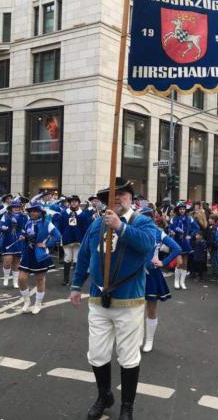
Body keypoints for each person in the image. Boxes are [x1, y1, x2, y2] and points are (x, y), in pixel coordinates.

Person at [69, 177, 157, 420]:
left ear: (131, 198)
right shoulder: (96, 224)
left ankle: (127, 406)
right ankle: (104, 394)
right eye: (112, 195)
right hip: (98, 299)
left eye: (123, 194)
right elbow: (85, 256)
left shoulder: (143, 222)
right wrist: (76, 285)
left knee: (128, 357)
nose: (117, 199)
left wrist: (120, 226)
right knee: (96, 354)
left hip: (129, 301)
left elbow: (148, 245)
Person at [139, 207, 180, 353]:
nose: (147, 220)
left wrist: (163, 262)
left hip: (152, 274)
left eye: (150, 217)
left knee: (151, 309)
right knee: (133, 309)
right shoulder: (133, 231)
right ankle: (136, 338)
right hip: (134, 274)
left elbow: (176, 248)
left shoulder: (158, 232)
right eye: (143, 217)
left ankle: (149, 340)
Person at [18, 202, 62, 314]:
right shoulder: (27, 223)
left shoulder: (47, 223)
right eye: (30, 211)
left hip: (39, 253)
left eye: (35, 211)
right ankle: (26, 302)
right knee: (22, 278)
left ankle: (38, 303)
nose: (32, 212)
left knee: (40, 279)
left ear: (40, 212)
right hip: (28, 253)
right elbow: (23, 234)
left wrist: (47, 244)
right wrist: (23, 238)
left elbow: (57, 235)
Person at [60, 195, 94, 286]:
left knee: (76, 260)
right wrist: (62, 234)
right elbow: (61, 225)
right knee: (67, 258)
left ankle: (75, 280)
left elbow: (85, 228)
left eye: (75, 201)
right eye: (72, 201)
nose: (73, 203)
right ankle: (66, 279)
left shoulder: (82, 214)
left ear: (78, 203)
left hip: (78, 240)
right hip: (67, 239)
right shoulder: (64, 213)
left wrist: (84, 240)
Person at [169, 202, 199, 290]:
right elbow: (170, 228)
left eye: (183, 209)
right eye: (180, 209)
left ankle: (182, 282)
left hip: (186, 242)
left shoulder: (189, 218)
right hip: (177, 242)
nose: (182, 210)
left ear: (185, 210)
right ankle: (176, 281)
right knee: (179, 263)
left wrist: (191, 235)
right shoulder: (173, 218)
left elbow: (197, 227)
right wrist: (171, 231)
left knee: (185, 264)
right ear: (178, 210)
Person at [0, 198, 27, 288]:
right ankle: (6, 278)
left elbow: (27, 228)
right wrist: (3, 228)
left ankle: (15, 281)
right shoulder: (6, 215)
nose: (17, 208)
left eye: (18, 207)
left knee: (16, 262)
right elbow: (0, 226)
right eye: (15, 207)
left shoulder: (24, 216)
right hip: (8, 239)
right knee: (7, 260)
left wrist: (24, 234)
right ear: (11, 208)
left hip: (19, 239)